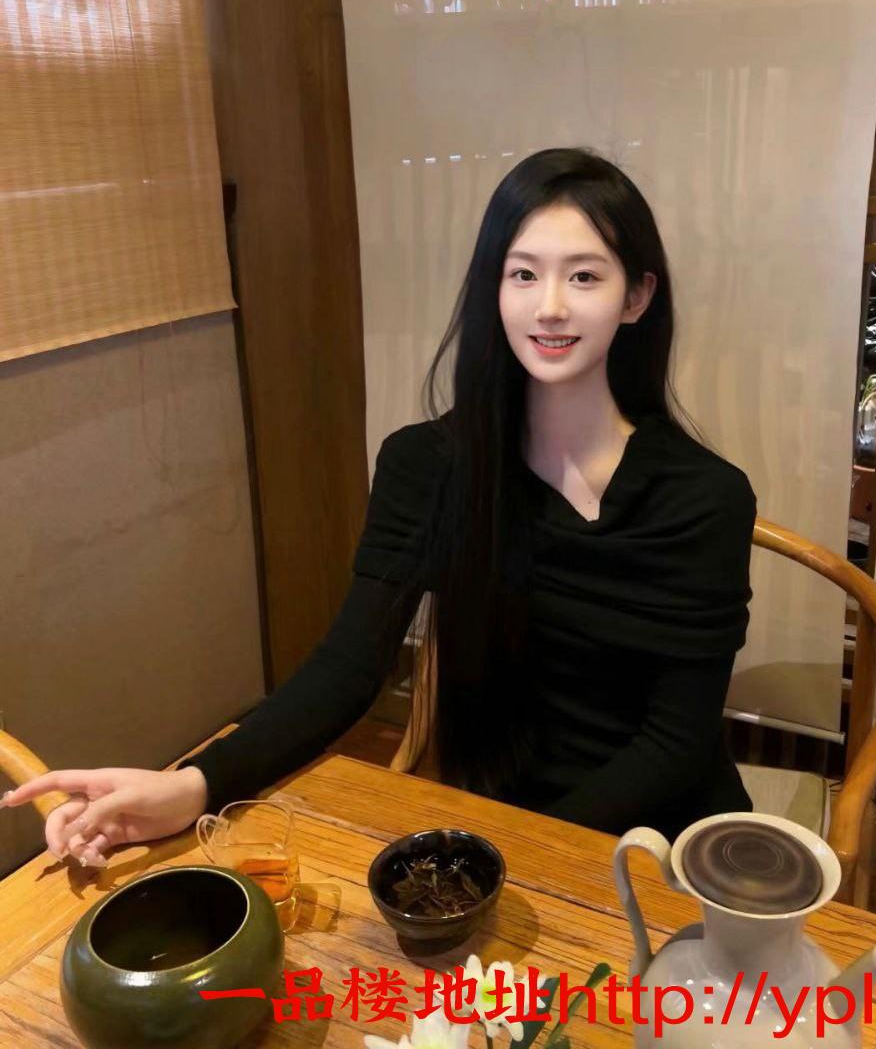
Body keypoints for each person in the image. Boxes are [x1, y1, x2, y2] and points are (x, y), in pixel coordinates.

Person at [3, 147, 757, 868]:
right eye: (523, 274)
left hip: (665, 842)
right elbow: (348, 668)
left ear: (636, 298)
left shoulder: (706, 497)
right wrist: (194, 785)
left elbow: (677, 741)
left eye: (584, 277)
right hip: (505, 818)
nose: (550, 306)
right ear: (493, 289)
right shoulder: (429, 466)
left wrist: (521, 856)